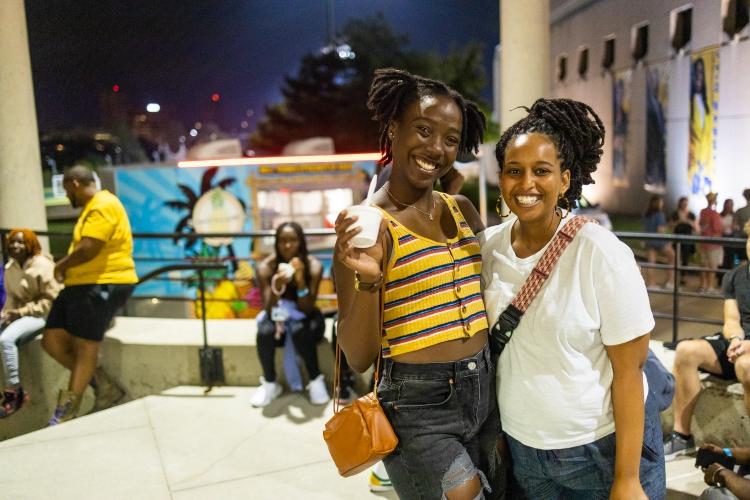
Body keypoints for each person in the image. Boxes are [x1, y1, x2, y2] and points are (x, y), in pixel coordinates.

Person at [482, 98, 665, 499]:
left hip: (601, 450)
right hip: (524, 451)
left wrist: (627, 478)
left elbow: (630, 372)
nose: (526, 183)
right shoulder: (487, 249)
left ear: (565, 180)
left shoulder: (600, 252)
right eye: (515, 171)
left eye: (541, 171)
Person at [334, 68, 501, 500]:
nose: (436, 149)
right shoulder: (367, 227)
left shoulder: (462, 209)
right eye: (423, 130)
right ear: (394, 128)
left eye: (450, 139)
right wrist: (369, 282)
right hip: (418, 406)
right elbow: (358, 356)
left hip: (486, 391)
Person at [41, 165, 137, 424]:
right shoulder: (93, 207)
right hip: (81, 284)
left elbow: (89, 248)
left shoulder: (103, 204)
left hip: (102, 283)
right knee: (52, 340)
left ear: (73, 184)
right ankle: (105, 386)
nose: (66, 197)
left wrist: (60, 266)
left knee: (85, 347)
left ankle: (64, 414)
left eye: (65, 191)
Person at [664, 220, 750, 460]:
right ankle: (682, 438)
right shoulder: (736, 276)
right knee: (686, 351)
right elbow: (731, 319)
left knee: (746, 366)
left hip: (747, 354)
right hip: (739, 344)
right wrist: (735, 338)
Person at [249, 221, 329, 407]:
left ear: (301, 242)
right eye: (282, 241)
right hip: (279, 317)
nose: (287, 245)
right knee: (264, 333)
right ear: (276, 243)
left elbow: (307, 309)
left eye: (292, 240)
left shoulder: (313, 266)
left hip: (308, 318)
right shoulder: (266, 267)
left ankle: (315, 380)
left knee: (302, 331)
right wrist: (277, 285)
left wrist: (300, 281)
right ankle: (270, 384)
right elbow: (269, 310)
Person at [0, 229, 62, 417]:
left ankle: (15, 392)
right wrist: (4, 315)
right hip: (20, 314)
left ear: (30, 245)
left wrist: (19, 313)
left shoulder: (43, 265)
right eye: (12, 242)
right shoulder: (10, 268)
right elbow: (11, 298)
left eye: (20, 242)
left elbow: (51, 300)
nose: (15, 246)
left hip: (42, 315)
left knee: (6, 340)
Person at [644, 194, 676, 288]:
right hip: (659, 241)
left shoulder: (648, 215)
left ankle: (651, 283)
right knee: (672, 257)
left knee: (651, 263)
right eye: (661, 202)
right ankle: (670, 281)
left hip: (649, 241)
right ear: (658, 203)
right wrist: (668, 240)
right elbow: (660, 231)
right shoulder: (660, 215)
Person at [699, 192, 724, 292]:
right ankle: (710, 286)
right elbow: (717, 228)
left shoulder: (703, 212)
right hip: (713, 243)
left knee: (703, 265)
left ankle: (702, 285)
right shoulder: (715, 214)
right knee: (712, 266)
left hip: (703, 242)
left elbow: (702, 226)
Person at [671, 196, 699, 270]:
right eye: (683, 204)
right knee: (675, 256)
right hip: (677, 237)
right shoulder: (675, 213)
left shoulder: (691, 215)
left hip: (687, 239)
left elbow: (696, 228)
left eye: (686, 204)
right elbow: (671, 226)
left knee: (686, 258)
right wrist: (679, 221)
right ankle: (675, 274)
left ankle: (683, 275)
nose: (684, 205)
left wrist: (689, 222)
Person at [722, 198, 739, 269]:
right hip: (722, 237)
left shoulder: (734, 215)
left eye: (730, 205)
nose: (729, 206)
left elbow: (737, 227)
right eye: (727, 205)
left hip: (731, 237)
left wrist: (735, 227)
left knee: (730, 258)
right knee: (723, 258)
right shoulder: (720, 215)